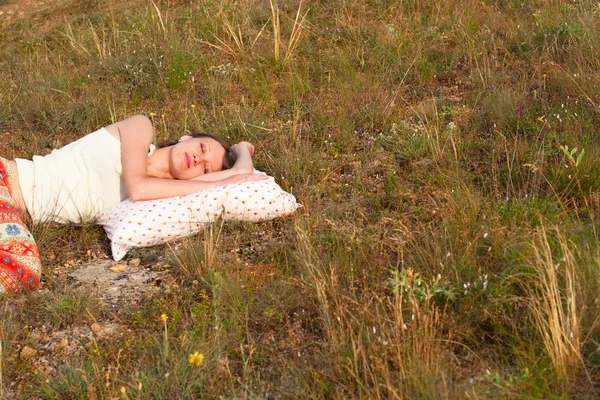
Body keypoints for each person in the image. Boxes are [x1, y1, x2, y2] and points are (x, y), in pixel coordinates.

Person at [0, 114, 266, 294]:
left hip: (12, 211)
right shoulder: (140, 127)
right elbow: (137, 187)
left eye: (206, 168)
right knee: (24, 268)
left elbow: (241, 176)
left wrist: (241, 152)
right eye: (203, 148)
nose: (198, 159)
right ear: (186, 137)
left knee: (22, 272)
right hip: (6, 180)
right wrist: (213, 179)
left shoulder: (166, 193)